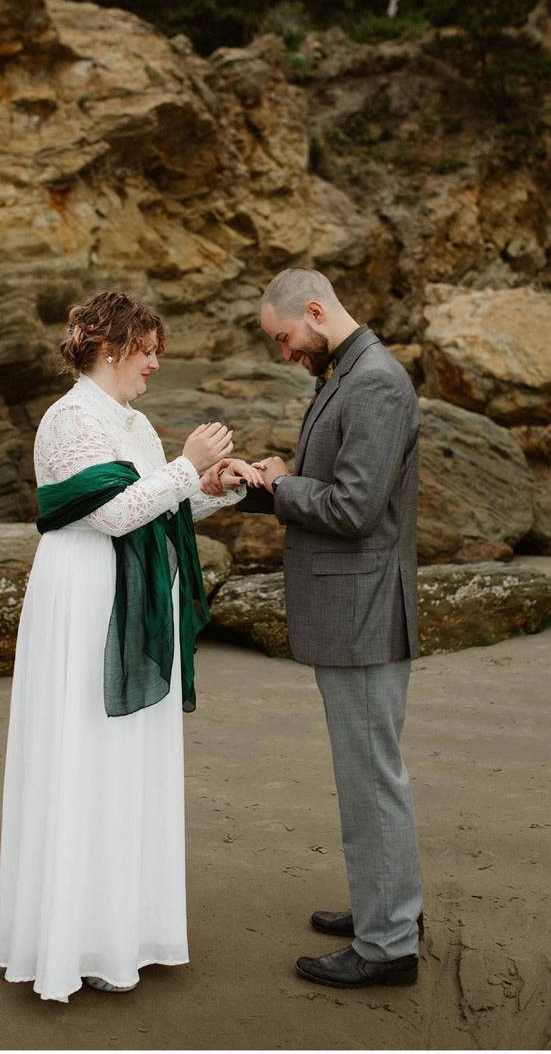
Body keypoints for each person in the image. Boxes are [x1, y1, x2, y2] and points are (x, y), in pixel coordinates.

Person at [0, 290, 262, 1001]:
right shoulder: (70, 417)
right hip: (86, 600)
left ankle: (125, 932)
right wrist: (185, 462)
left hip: (132, 600)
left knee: (126, 759)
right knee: (85, 749)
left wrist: (215, 485)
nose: (155, 363)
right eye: (147, 350)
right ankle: (72, 941)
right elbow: (112, 514)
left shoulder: (131, 422)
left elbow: (158, 504)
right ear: (111, 348)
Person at [211, 267, 424, 989]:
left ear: (312, 309)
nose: (283, 352)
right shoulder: (348, 373)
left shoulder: (375, 381)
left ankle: (388, 943)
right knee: (370, 772)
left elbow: (355, 508)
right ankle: (388, 909)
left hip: (364, 612)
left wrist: (280, 484)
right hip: (354, 607)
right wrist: (264, 482)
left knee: (369, 779)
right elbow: (333, 485)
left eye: (283, 338)